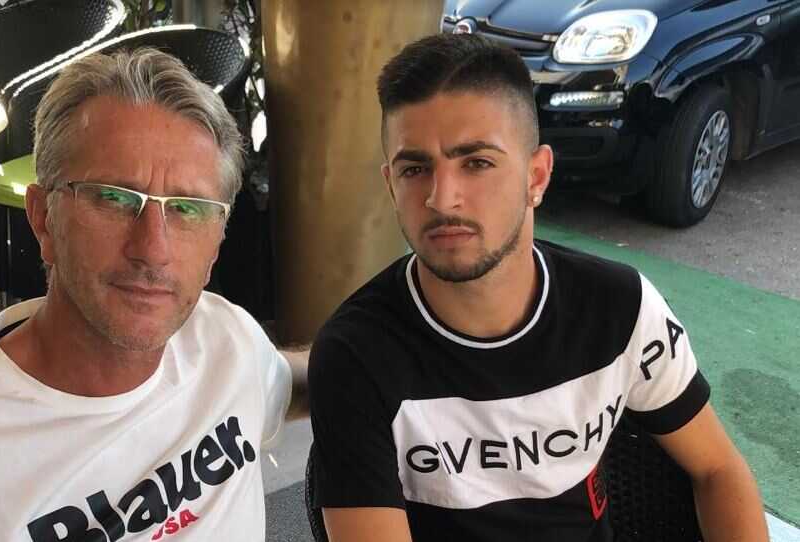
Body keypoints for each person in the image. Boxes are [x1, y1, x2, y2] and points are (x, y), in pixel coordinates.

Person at [308, 34, 768, 542]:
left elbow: (718, 469)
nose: (442, 198)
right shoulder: (357, 355)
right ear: (390, 185)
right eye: (414, 169)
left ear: (537, 176)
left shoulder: (621, 310)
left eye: (476, 162)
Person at [0, 48, 307, 542]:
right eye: (113, 198)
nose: (153, 250)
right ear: (43, 218)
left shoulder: (224, 336)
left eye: (188, 209)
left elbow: (306, 380)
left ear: (218, 241)